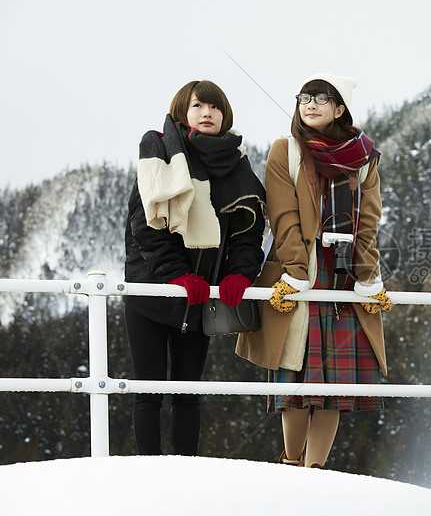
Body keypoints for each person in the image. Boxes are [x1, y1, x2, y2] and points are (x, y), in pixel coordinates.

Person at [236, 73, 390, 469]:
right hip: (299, 271)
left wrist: (368, 278)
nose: (310, 104)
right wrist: (294, 273)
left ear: (340, 109)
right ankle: (290, 461)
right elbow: (283, 218)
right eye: (304, 97)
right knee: (295, 372)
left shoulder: (365, 159)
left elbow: (368, 222)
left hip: (343, 276)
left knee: (333, 384)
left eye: (322, 98)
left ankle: (316, 469)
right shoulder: (285, 151)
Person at [124, 80, 266, 456]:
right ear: (182, 112)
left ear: (225, 116)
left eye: (215, 108)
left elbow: (249, 233)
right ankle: (148, 469)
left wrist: (241, 274)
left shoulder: (237, 167)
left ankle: (187, 471)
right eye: (198, 106)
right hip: (152, 293)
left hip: (201, 295)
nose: (207, 113)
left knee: (188, 391)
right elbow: (145, 227)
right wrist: (175, 275)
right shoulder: (161, 157)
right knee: (149, 390)